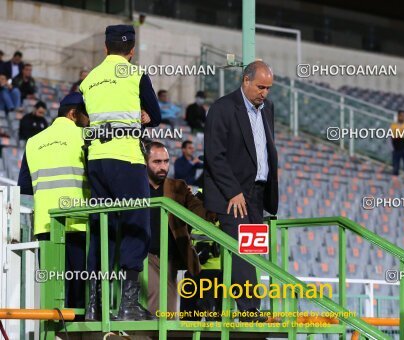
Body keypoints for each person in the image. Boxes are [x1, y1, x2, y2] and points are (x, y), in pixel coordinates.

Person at [80, 24, 161, 322]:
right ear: (131, 50)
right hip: (126, 157)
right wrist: (144, 117)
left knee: (103, 230)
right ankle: (127, 305)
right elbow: (156, 116)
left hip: (97, 159)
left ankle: (94, 305)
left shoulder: (89, 80)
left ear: (105, 48)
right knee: (137, 225)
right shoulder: (136, 74)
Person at [204, 60, 278, 322]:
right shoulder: (222, 108)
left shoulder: (267, 110)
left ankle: (250, 308)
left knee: (253, 249)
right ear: (245, 81)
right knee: (240, 249)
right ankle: (249, 310)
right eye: (260, 87)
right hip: (232, 195)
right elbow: (214, 155)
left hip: (256, 193)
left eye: (268, 88)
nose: (265, 93)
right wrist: (233, 191)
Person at [17, 92, 90, 309]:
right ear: (74, 114)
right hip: (78, 222)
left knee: (52, 289)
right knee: (78, 291)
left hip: (45, 226)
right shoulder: (85, 137)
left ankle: (53, 332)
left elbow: (25, 186)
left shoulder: (33, 141)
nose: (90, 121)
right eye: (87, 116)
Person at [144, 141, 215, 316]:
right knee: (156, 304)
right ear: (145, 163)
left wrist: (216, 208)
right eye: (157, 162)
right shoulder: (136, 186)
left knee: (169, 311)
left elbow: (198, 209)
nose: (163, 167)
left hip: (172, 256)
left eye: (166, 161)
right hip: (145, 255)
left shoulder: (178, 186)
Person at [390, 110, 404, 178]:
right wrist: (392, 148)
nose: (403, 117)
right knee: (395, 168)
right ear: (398, 116)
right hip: (396, 149)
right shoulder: (393, 126)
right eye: (401, 116)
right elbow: (389, 138)